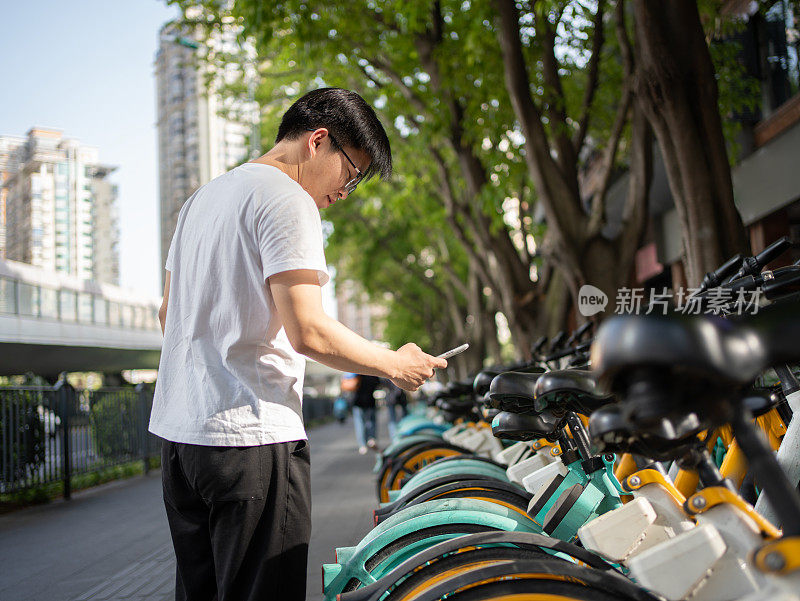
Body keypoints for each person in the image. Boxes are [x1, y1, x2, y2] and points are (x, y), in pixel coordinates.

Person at [149, 87, 447, 601]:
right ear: (319, 141)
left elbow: (167, 315)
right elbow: (307, 331)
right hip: (251, 441)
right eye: (350, 173)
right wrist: (394, 364)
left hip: (182, 444)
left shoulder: (200, 201)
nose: (344, 192)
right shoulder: (287, 199)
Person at [352, 374, 380, 454]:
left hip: (359, 401)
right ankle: (371, 439)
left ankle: (362, 444)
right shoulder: (372, 372)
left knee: (360, 423)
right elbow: (378, 383)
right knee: (370, 422)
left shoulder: (355, 371)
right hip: (369, 401)